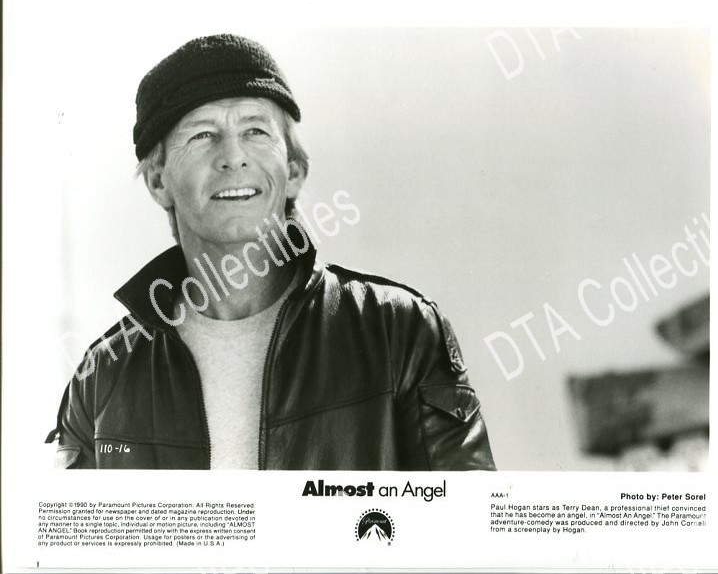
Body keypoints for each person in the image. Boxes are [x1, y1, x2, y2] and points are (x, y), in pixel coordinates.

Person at [46, 33, 496, 470]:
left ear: (294, 170)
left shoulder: (399, 332)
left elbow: (468, 519)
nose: (233, 156)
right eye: (202, 135)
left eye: (255, 130)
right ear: (158, 181)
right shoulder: (101, 377)